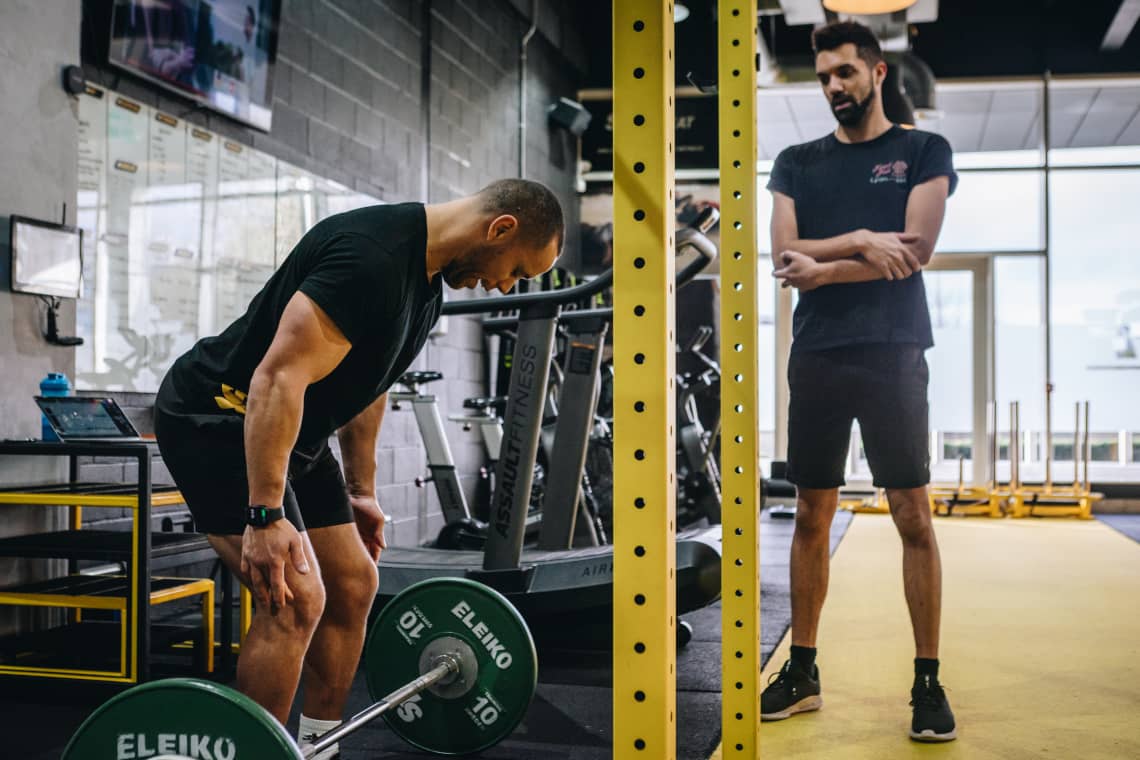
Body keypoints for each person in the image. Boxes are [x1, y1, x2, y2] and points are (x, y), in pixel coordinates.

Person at [154, 179, 563, 759]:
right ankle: (253, 752)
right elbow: (278, 378)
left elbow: (369, 388)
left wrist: (360, 492)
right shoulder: (372, 257)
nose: (503, 286)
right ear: (500, 230)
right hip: (219, 417)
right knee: (293, 598)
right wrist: (265, 514)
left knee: (352, 586)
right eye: (516, 271)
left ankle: (320, 747)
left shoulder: (426, 290)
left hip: (297, 434)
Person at [761, 21, 958, 743]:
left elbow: (916, 250)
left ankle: (928, 680)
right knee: (812, 515)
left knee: (911, 513)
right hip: (817, 354)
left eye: (845, 72)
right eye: (823, 77)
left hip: (894, 349)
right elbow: (782, 255)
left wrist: (828, 265)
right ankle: (803, 670)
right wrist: (857, 240)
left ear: (877, 73)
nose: (834, 87)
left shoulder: (921, 149)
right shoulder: (795, 161)